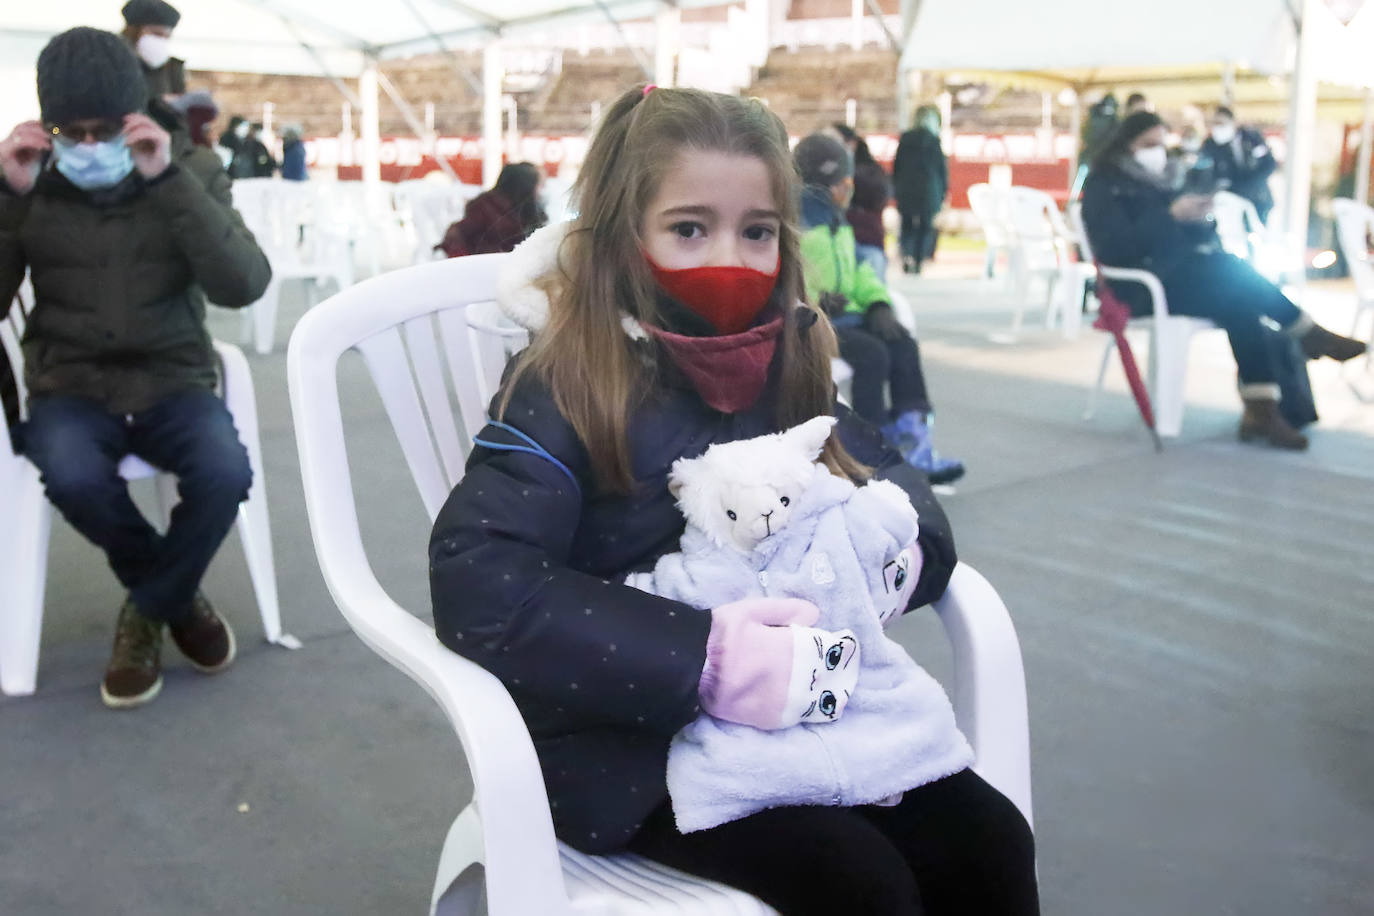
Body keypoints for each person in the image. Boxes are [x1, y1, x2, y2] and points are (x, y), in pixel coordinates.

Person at [429, 86, 1037, 916]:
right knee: (861, 886)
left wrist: (884, 565)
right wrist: (703, 656)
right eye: (689, 229)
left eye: (756, 231)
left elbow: (902, 492)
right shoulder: (565, 380)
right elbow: (479, 579)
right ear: (621, 237)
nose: (730, 260)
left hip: (802, 718)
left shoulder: (786, 352)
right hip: (627, 742)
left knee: (990, 840)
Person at [0, 28, 272, 707]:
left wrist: (167, 181)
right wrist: (9, 198)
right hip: (72, 384)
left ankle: (147, 608)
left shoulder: (193, 168)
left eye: (105, 129)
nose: (88, 146)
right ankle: (175, 601)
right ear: (48, 124)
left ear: (135, 116)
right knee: (68, 469)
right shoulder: (29, 179)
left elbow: (244, 284)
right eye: (72, 130)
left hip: (171, 376)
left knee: (224, 472)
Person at [1081, 111, 1365, 450]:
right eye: (1148, 144)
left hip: (1179, 277)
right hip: (1140, 286)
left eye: (1161, 143)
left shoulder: (1165, 181)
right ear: (1126, 145)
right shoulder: (1103, 185)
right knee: (1234, 276)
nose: (1158, 151)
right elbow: (1116, 247)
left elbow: (1183, 242)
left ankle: (1263, 409)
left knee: (1239, 298)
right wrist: (1168, 215)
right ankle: (1308, 336)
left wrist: (1199, 218)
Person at [797, 132, 965, 485]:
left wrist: (878, 303)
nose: (848, 189)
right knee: (873, 355)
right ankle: (869, 452)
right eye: (843, 182)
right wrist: (813, 301)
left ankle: (913, 435)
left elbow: (858, 269)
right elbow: (787, 276)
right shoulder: (796, 222)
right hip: (814, 325)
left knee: (901, 342)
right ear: (828, 185)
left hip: (849, 316)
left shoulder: (836, 221)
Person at [436, 161, 546, 257]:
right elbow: (457, 236)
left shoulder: (529, 210)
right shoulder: (484, 207)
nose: (541, 190)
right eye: (539, 185)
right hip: (485, 269)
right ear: (524, 187)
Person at [892, 105, 947, 274]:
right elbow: (941, 170)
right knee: (924, 226)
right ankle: (918, 259)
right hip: (929, 190)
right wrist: (943, 192)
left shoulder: (905, 138)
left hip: (906, 188)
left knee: (907, 224)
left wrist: (897, 186)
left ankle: (907, 255)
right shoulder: (933, 140)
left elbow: (897, 166)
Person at [1199, 105, 1277, 223]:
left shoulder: (1251, 139)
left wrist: (1252, 183)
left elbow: (1269, 164)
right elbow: (1207, 171)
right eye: (1215, 123)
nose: (1217, 128)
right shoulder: (1211, 146)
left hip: (1258, 198)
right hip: (1229, 202)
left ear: (1233, 123)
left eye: (1221, 123)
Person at [833, 123, 891, 278]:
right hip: (837, 246)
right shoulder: (820, 174)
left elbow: (879, 197)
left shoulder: (870, 173)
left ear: (851, 143)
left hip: (865, 242)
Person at [120, 0, 185, 104]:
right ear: (133, 31)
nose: (161, 41)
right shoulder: (113, 63)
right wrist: (159, 101)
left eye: (167, 37)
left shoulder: (172, 67)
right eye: (157, 34)